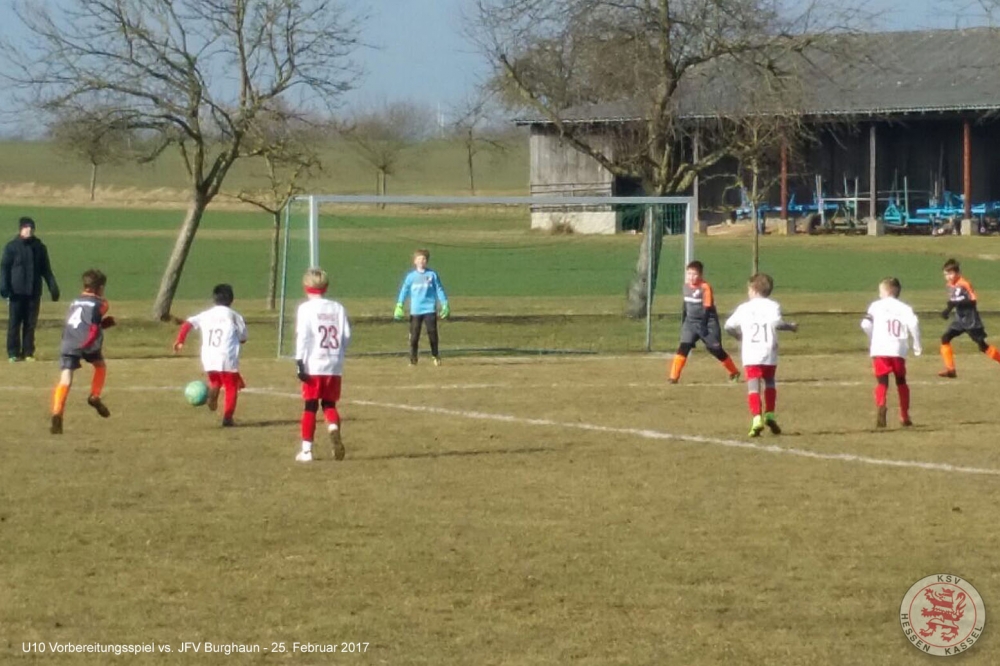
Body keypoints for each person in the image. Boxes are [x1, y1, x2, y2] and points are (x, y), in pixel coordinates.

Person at [724, 273, 798, 437]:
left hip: (751, 352)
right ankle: (770, 413)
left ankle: (756, 417)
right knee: (770, 381)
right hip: (769, 350)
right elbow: (778, 324)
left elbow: (728, 326)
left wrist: (738, 336)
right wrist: (791, 327)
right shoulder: (773, 305)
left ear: (753, 289)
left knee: (753, 384)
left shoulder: (744, 308)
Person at [295, 268, 351, 462]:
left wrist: (299, 362)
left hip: (313, 363)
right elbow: (346, 335)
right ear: (326, 287)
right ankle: (333, 427)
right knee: (329, 404)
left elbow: (303, 336)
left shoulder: (305, 309)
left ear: (306, 287)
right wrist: (339, 354)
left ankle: (307, 451)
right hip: (334, 363)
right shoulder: (338, 308)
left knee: (310, 406)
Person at [173, 284, 248, 427]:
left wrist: (180, 340)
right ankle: (228, 418)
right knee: (231, 386)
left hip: (208, 356)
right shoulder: (234, 316)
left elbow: (188, 323)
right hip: (226, 356)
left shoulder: (206, 314)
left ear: (214, 299)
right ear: (231, 299)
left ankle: (213, 392)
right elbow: (243, 338)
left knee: (216, 380)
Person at [50, 269, 115, 435]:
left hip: (68, 341)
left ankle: (57, 412)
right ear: (100, 288)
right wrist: (102, 326)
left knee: (65, 378)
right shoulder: (102, 303)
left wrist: (100, 325)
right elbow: (92, 325)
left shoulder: (74, 302)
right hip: (87, 341)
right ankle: (94, 395)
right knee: (100, 366)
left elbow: (79, 321)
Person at [861, 277, 921, 428]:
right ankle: (904, 415)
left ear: (887, 291)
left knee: (882, 382)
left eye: (880, 291)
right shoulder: (904, 308)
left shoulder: (875, 306)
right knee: (901, 381)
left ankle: (881, 405)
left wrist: (873, 338)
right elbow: (914, 324)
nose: (879, 294)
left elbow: (865, 324)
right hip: (898, 348)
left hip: (880, 349)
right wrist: (917, 344)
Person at [668, 260, 740, 384]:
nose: (691, 277)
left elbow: (707, 308)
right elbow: (685, 306)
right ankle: (673, 377)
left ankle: (734, 372)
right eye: (689, 273)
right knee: (684, 346)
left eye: (694, 274)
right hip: (690, 323)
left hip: (707, 323)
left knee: (715, 349)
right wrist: (684, 322)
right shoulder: (685, 287)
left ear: (700, 275)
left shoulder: (705, 287)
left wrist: (703, 327)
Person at [1, 217, 59, 362]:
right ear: (21, 229)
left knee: (30, 324)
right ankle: (13, 353)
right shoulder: (11, 247)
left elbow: (46, 270)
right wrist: (4, 287)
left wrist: (53, 287)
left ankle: (28, 352)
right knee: (14, 323)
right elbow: (4, 268)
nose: (29, 230)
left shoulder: (39, 248)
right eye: (26, 227)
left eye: (31, 228)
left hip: (33, 292)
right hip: (16, 292)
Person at [938, 258, 1000, 378]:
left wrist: (956, 303)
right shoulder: (949, 285)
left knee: (982, 346)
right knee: (945, 338)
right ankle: (950, 369)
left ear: (958, 273)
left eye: (950, 273)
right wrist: (947, 311)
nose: (948, 277)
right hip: (959, 320)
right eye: (946, 274)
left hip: (971, 320)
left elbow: (973, 301)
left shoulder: (964, 284)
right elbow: (953, 301)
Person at [394, 249, 449, 366]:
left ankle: (435, 355)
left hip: (429, 309)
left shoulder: (432, 275)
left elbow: (439, 289)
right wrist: (399, 305)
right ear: (415, 261)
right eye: (419, 259)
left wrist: (445, 304)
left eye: (423, 259)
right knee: (414, 336)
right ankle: (413, 359)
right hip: (416, 310)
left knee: (432, 334)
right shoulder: (411, 277)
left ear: (427, 261)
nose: (421, 261)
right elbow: (404, 290)